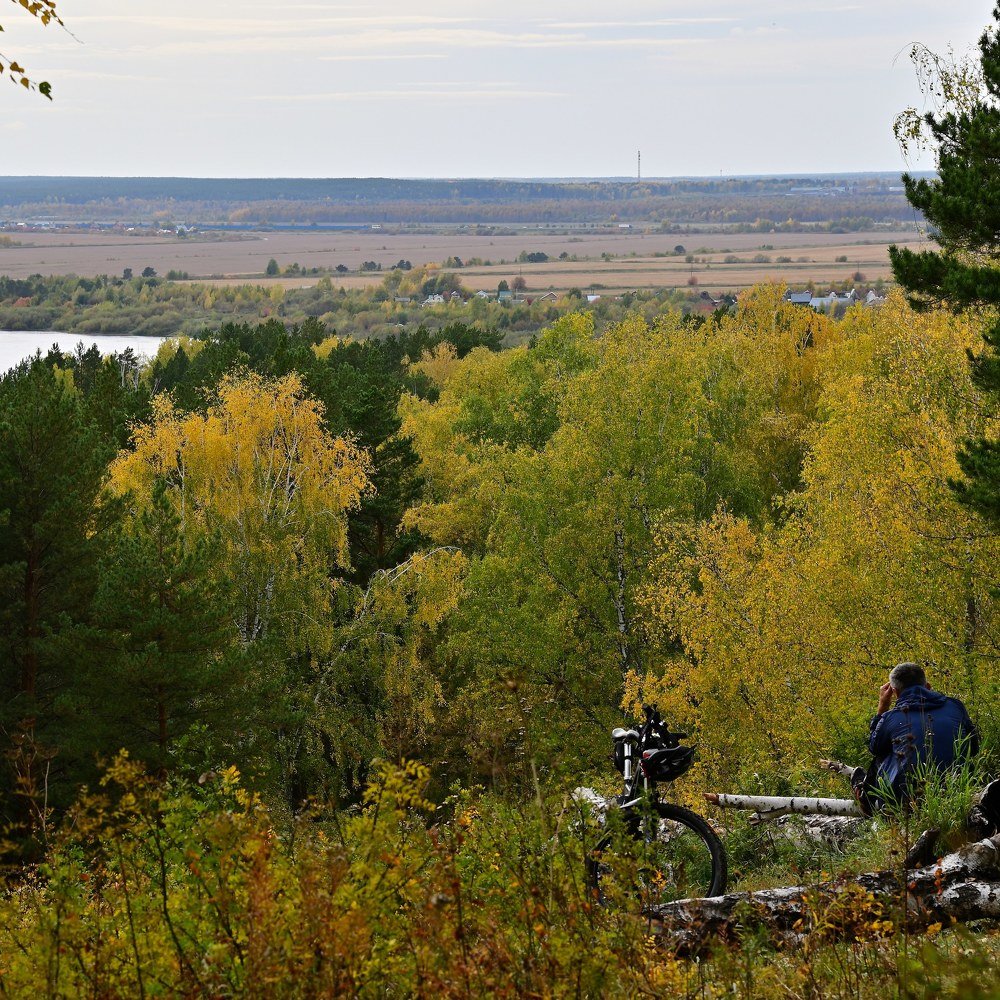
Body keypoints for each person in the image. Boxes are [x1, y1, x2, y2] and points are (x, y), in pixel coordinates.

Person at [860, 662, 979, 809]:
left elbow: (875, 748)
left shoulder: (890, 717)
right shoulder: (955, 706)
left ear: (894, 692)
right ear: (928, 686)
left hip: (908, 799)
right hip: (960, 788)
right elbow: (973, 748)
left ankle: (869, 804)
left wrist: (882, 708)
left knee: (881, 756)